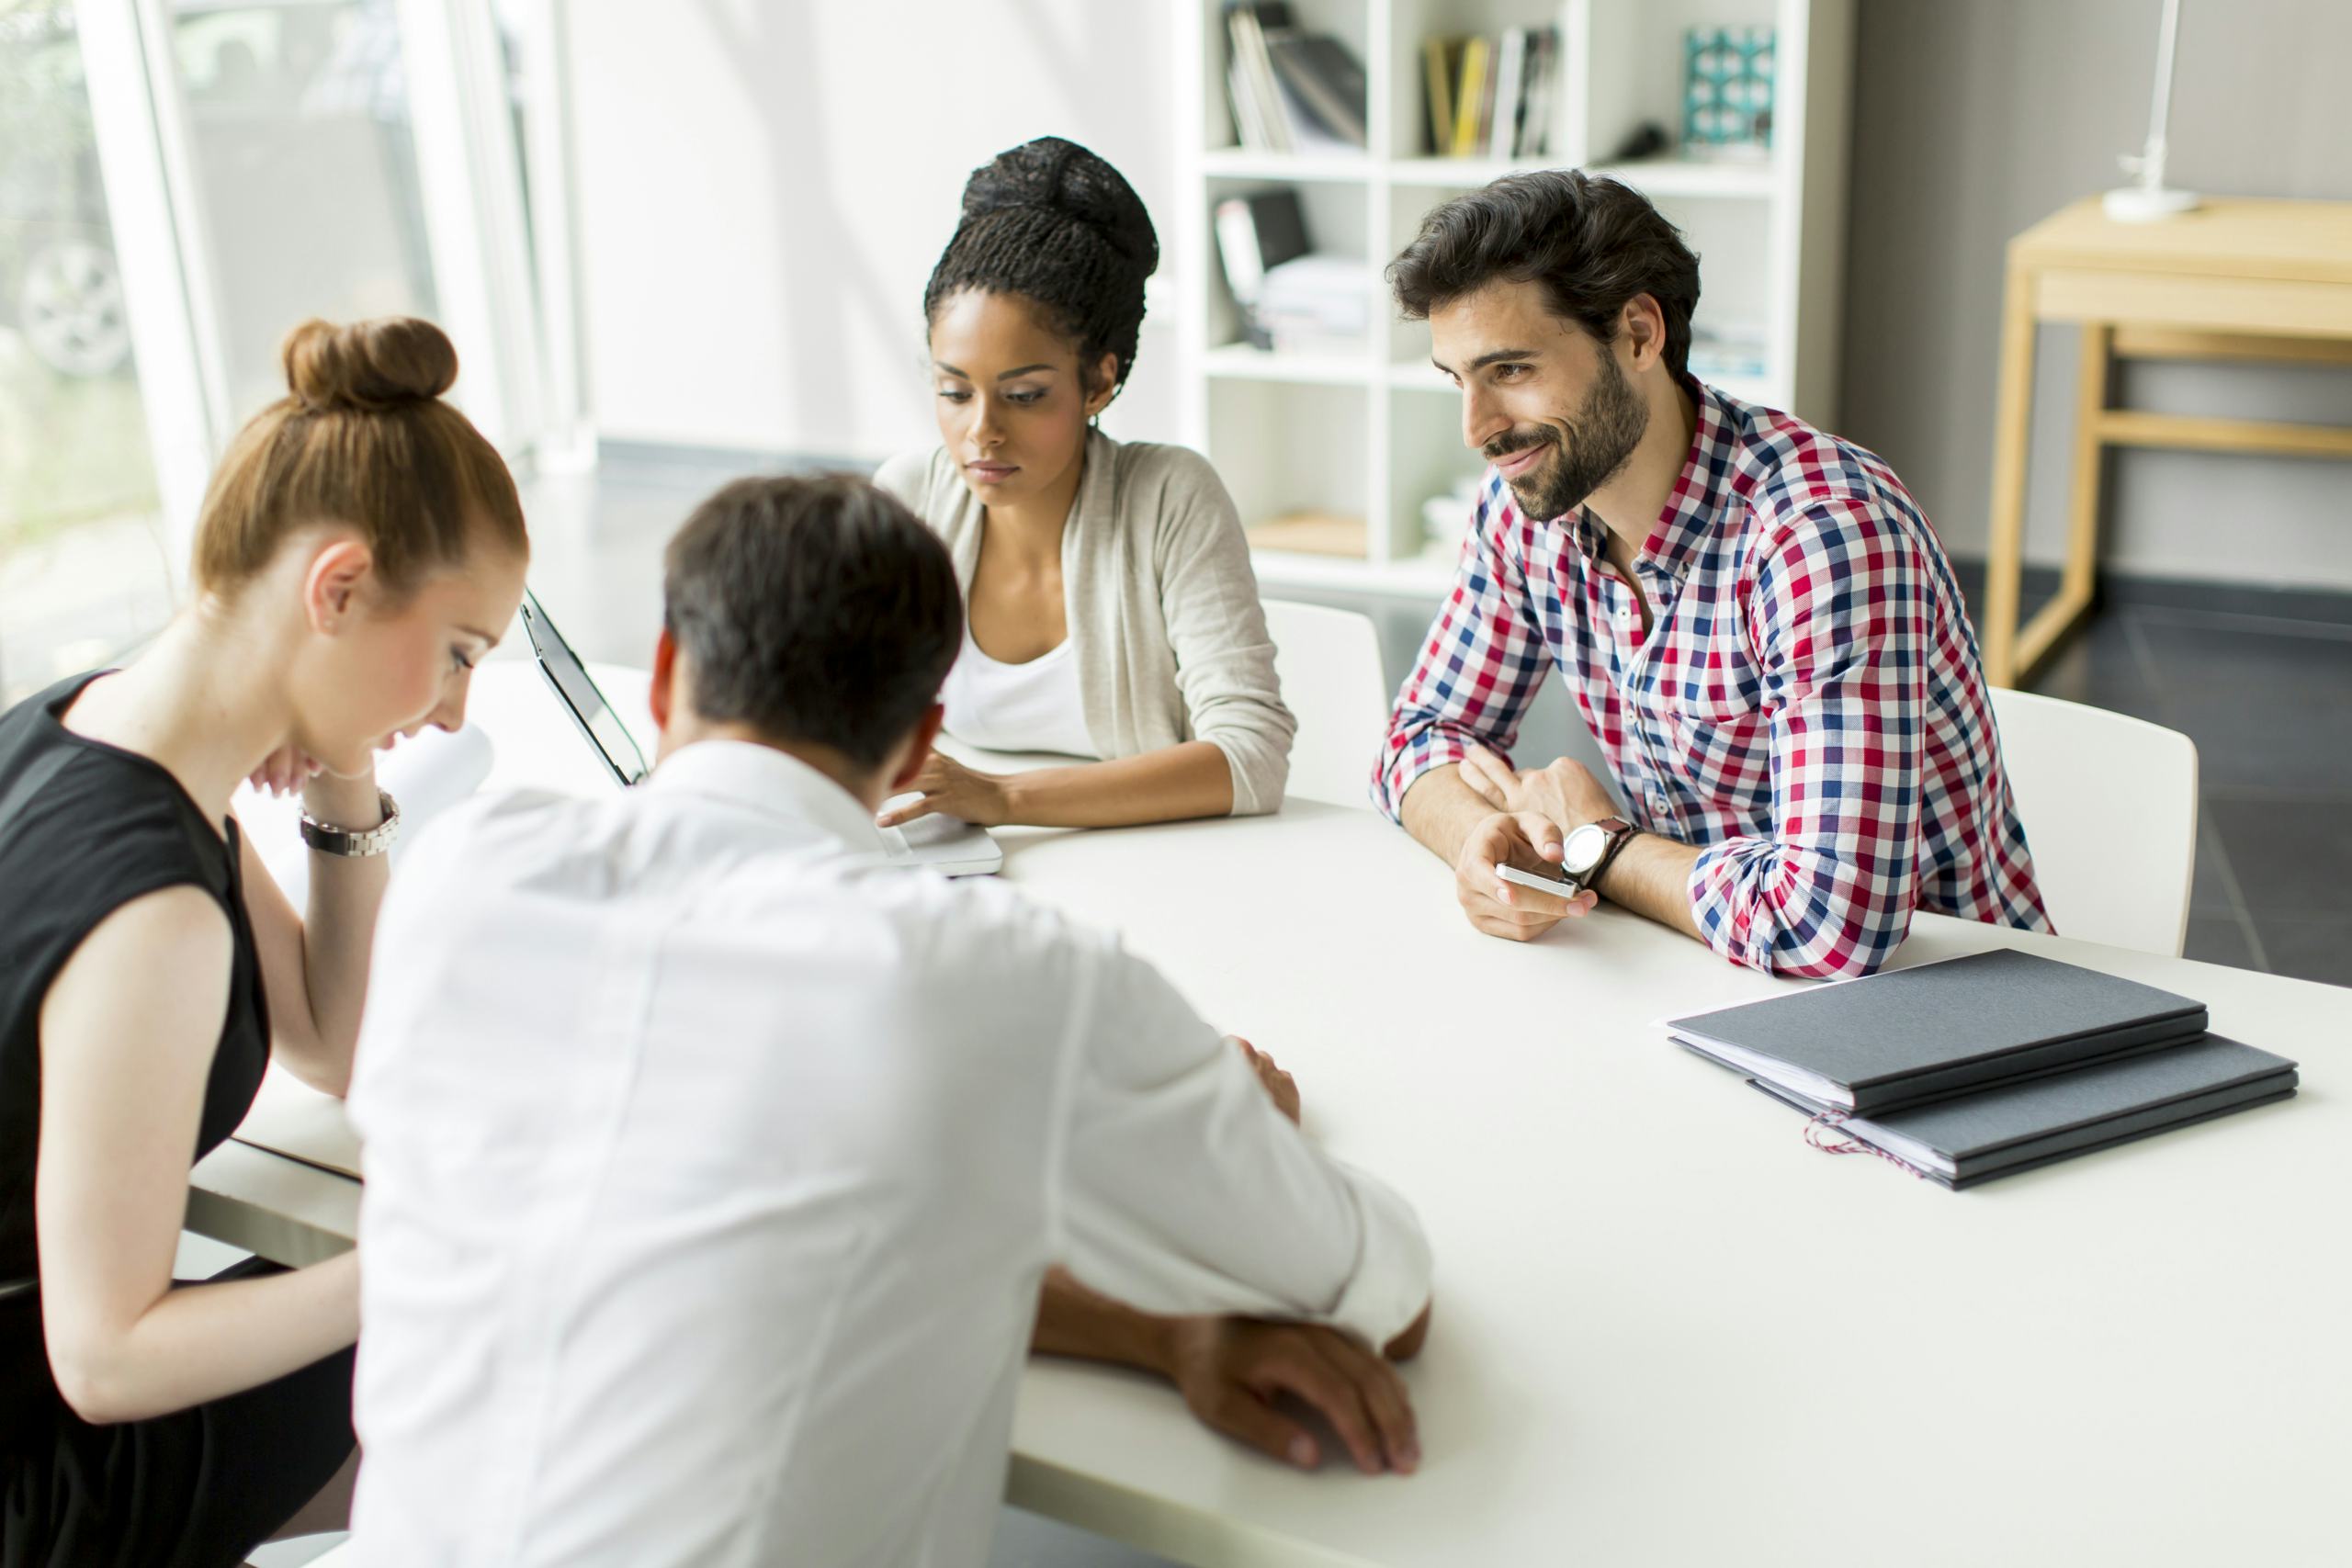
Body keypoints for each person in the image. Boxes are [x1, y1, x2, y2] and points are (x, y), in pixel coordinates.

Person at [345, 475, 1432, 1567]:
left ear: (666, 675)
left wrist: (1158, 1331)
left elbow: (741, 1243)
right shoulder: (994, 985)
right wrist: (1243, 1141)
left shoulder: (464, 877)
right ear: (921, 746)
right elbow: (1380, 1293)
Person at [0, 317, 529, 1564]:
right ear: (336, 588)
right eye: (457, 654)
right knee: (478, 1329)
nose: (452, 707)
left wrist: (345, 771)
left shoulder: (88, 726)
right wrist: (427, 1251)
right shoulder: (155, 917)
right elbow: (108, 1353)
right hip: (34, 1466)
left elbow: (338, 1041)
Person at [1374, 172, 2047, 979]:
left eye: (1511, 371)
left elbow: (1829, 926)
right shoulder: (1528, 507)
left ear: (1638, 333)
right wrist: (1477, 842)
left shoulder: (1820, 537)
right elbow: (1415, 742)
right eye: (1458, 379)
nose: (1477, 428)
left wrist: (1598, 844)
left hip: (1946, 1006)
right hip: (1706, 966)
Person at [876, 135, 1295, 829]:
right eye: (954, 393)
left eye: (1025, 395)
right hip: (961, 860)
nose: (983, 431)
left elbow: (1252, 755)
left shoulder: (1169, 496)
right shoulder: (910, 498)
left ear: (1099, 380)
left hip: (1157, 864)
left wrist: (1006, 799)